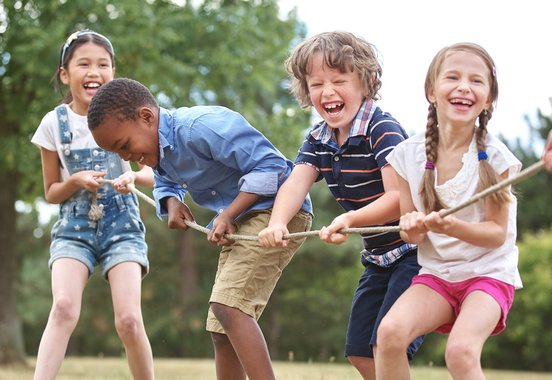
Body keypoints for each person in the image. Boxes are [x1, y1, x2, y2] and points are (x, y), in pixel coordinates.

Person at [87, 77, 313, 380]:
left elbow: (272, 166)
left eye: (124, 145)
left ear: (146, 117)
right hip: (244, 219)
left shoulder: (201, 127)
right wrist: (170, 202)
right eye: (117, 153)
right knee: (221, 329)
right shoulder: (160, 148)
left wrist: (229, 213)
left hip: (277, 212)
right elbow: (165, 178)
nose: (125, 157)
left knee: (229, 308)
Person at [257, 31, 422, 380]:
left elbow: (398, 199)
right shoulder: (318, 139)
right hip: (379, 259)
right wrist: (277, 222)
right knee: (360, 352)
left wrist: (349, 218)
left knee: (386, 343)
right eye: (316, 83)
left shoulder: (383, 129)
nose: (327, 92)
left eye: (338, 80)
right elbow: (295, 183)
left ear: (367, 81)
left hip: (415, 253)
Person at [376, 42, 522, 380]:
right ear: (431, 90)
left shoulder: (498, 160)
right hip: (438, 275)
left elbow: (496, 234)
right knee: (389, 333)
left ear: (488, 98)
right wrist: (411, 227)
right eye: (452, 77)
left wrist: (451, 227)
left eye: (476, 81)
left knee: (460, 352)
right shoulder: (405, 156)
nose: (463, 87)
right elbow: (410, 232)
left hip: (488, 275)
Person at [31, 30, 155, 380]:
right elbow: (52, 191)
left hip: (122, 225)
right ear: (65, 74)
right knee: (64, 308)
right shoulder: (53, 124)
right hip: (74, 226)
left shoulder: (133, 115)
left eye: (103, 64)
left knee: (129, 320)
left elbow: (153, 173)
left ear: (114, 72)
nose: (94, 72)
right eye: (83, 64)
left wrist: (133, 177)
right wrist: (74, 181)